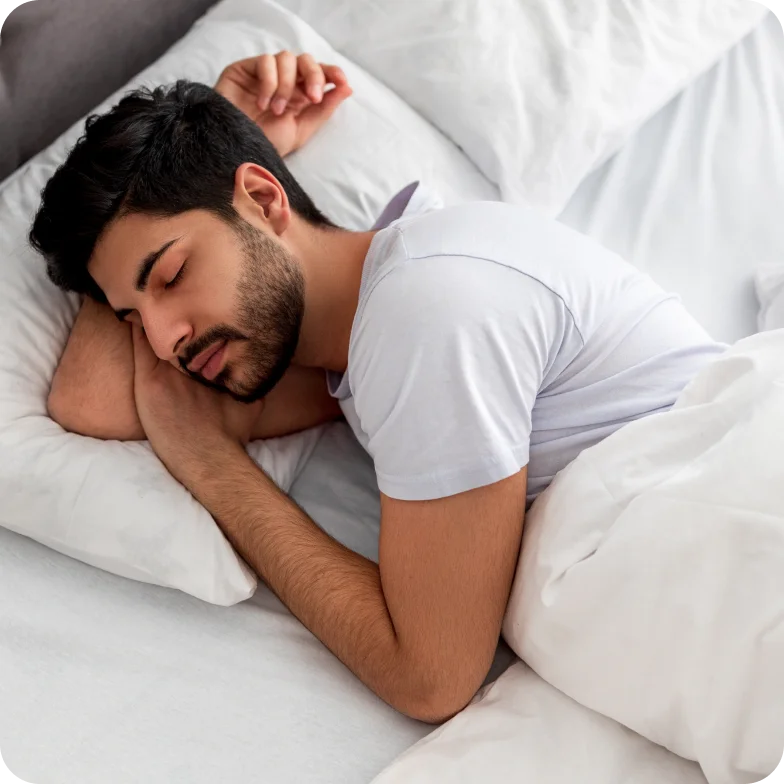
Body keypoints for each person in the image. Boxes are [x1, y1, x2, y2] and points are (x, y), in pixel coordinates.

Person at [29, 52, 725, 724]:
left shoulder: (427, 307)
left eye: (172, 274)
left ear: (265, 198)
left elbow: (431, 676)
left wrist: (214, 468)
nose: (160, 342)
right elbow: (90, 404)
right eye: (131, 317)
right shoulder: (356, 354)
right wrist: (187, 170)